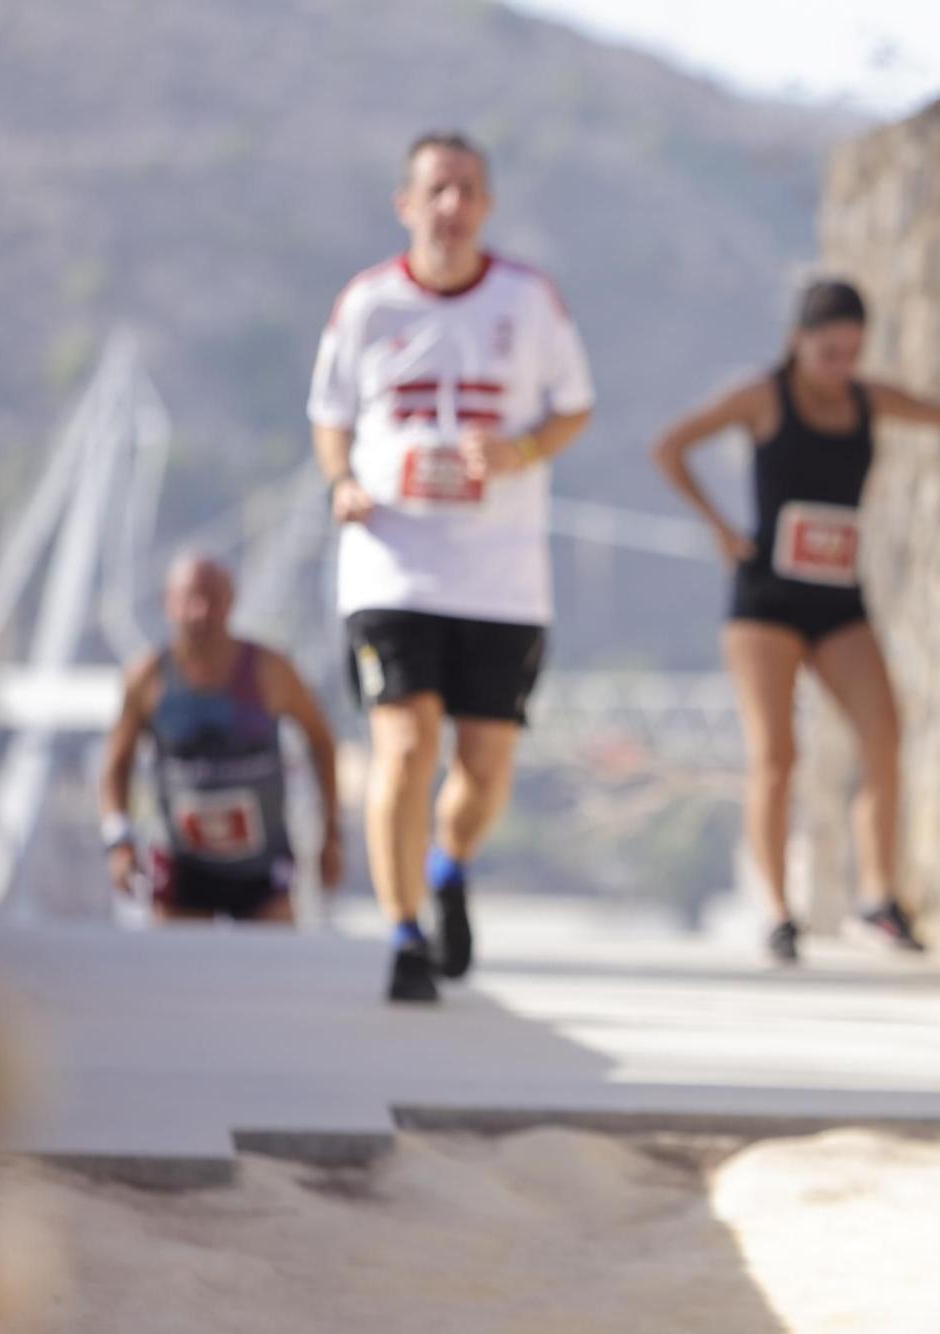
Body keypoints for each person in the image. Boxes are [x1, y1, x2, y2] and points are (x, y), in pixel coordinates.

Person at [651, 279, 940, 964]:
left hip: (838, 599)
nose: (841, 366)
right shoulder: (762, 396)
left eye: (853, 353)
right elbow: (670, 447)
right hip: (765, 598)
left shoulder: (869, 399)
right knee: (777, 755)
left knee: (884, 735)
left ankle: (879, 898)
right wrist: (720, 528)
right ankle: (777, 912)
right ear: (799, 341)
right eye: (829, 351)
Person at [308, 131, 594, 1002]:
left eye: (467, 189)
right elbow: (330, 412)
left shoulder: (529, 300)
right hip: (392, 565)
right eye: (437, 189)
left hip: (499, 575)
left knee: (483, 765)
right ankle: (401, 933)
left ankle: (449, 862)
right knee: (403, 743)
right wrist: (343, 481)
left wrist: (520, 451)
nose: (452, 205)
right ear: (407, 204)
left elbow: (574, 409)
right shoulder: (367, 305)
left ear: (487, 204)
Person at [100, 553, 343, 923]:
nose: (201, 612)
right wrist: (119, 841)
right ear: (169, 604)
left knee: (272, 975)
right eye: (189, 599)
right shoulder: (148, 678)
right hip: (181, 869)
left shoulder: (270, 671)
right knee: (175, 977)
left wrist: (332, 835)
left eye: (212, 598)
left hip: (261, 872)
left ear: (231, 602)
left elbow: (321, 742)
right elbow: (117, 764)